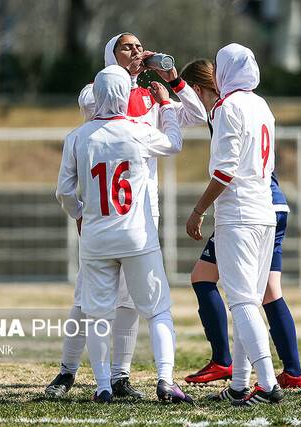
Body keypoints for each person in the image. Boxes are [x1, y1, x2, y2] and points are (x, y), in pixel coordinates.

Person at [45, 32, 206, 400]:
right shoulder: (99, 91)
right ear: (110, 56)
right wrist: (127, 79)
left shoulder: (150, 95)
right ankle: (67, 371)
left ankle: (118, 377)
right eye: (126, 48)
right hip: (108, 209)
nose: (135, 52)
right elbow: (99, 103)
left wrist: (172, 80)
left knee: (131, 301)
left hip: (141, 207)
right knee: (88, 299)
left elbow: (196, 115)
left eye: (138, 47)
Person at [179, 59, 301, 389]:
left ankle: (265, 383)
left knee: (243, 302)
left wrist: (197, 210)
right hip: (265, 210)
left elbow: (224, 172)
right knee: (252, 297)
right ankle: (239, 384)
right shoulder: (260, 104)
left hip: (240, 214)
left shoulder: (227, 106)